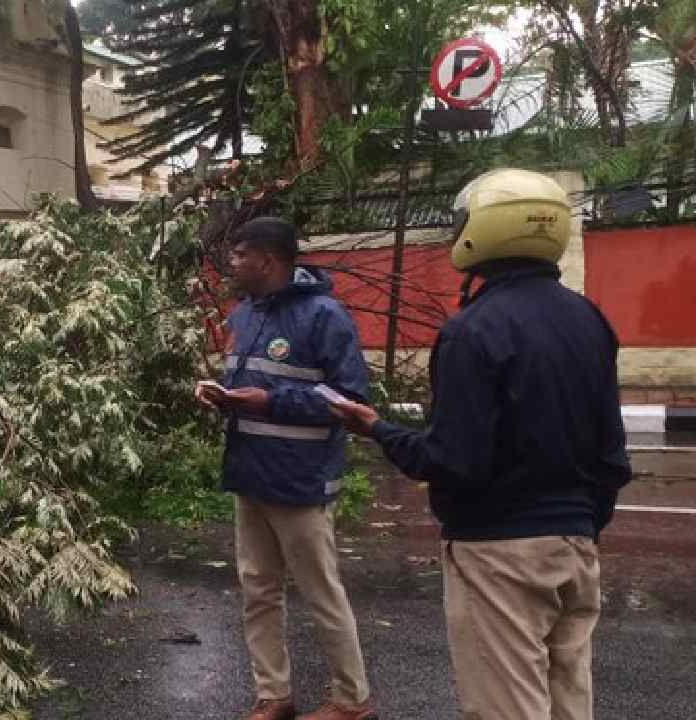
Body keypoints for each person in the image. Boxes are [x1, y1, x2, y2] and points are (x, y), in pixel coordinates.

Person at [328, 169, 632, 720]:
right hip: (575, 544)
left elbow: (453, 461)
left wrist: (377, 428)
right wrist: (582, 522)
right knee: (569, 697)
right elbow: (612, 448)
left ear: (483, 230)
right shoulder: (589, 319)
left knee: (506, 708)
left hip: (498, 552)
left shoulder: (474, 330)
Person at [196, 218, 376, 720]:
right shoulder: (245, 314)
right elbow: (251, 388)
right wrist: (222, 397)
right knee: (258, 593)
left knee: (323, 595)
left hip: (300, 482)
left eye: (238, 255)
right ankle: (273, 695)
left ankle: (352, 701)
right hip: (250, 476)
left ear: (267, 261)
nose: (230, 263)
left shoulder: (325, 316)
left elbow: (352, 402)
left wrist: (270, 402)